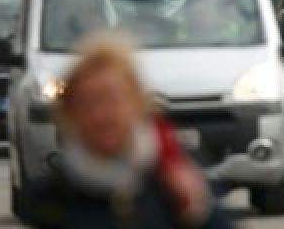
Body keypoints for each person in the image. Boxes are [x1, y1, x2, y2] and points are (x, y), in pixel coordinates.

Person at [24, 36, 230, 228]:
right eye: (86, 103)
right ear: (70, 115)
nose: (101, 115)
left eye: (112, 99)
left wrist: (198, 212)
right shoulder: (51, 201)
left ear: (137, 104)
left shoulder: (181, 182)